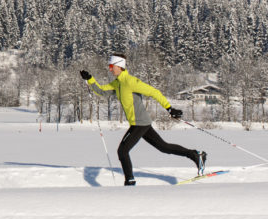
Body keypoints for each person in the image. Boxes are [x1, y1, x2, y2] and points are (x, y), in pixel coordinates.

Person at [80, 54, 206, 186]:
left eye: (112, 66)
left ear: (120, 66)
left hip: (139, 123)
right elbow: (102, 91)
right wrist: (90, 79)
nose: (110, 69)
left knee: (122, 151)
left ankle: (130, 181)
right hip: (140, 123)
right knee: (164, 147)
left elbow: (154, 92)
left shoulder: (131, 82)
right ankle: (196, 155)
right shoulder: (118, 83)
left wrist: (169, 108)